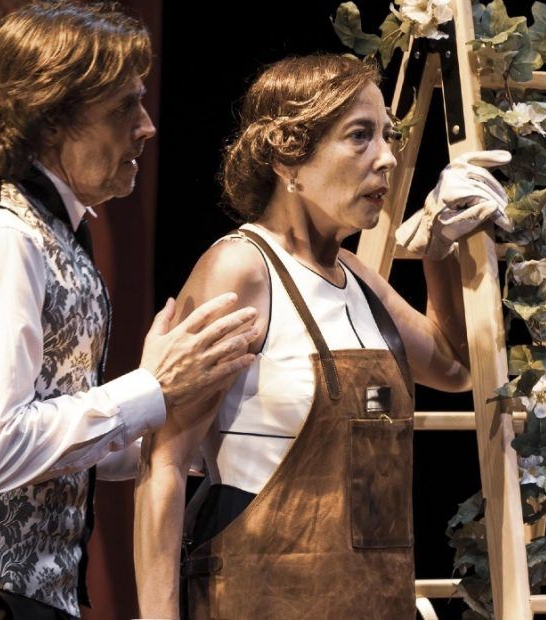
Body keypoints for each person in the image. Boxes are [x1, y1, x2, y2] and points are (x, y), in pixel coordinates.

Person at [0, 3, 259, 618]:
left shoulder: (54, 233)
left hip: (21, 600)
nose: (147, 127)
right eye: (123, 108)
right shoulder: (0, 238)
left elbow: (59, 444)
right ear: (52, 120)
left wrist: (192, 432)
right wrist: (153, 388)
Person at [133, 54, 512, 619]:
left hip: (373, 601)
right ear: (289, 158)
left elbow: (455, 369)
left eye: (386, 136)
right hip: (259, 600)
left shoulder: (355, 275)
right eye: (359, 136)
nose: (386, 157)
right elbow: (163, 464)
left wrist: (438, 250)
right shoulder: (242, 268)